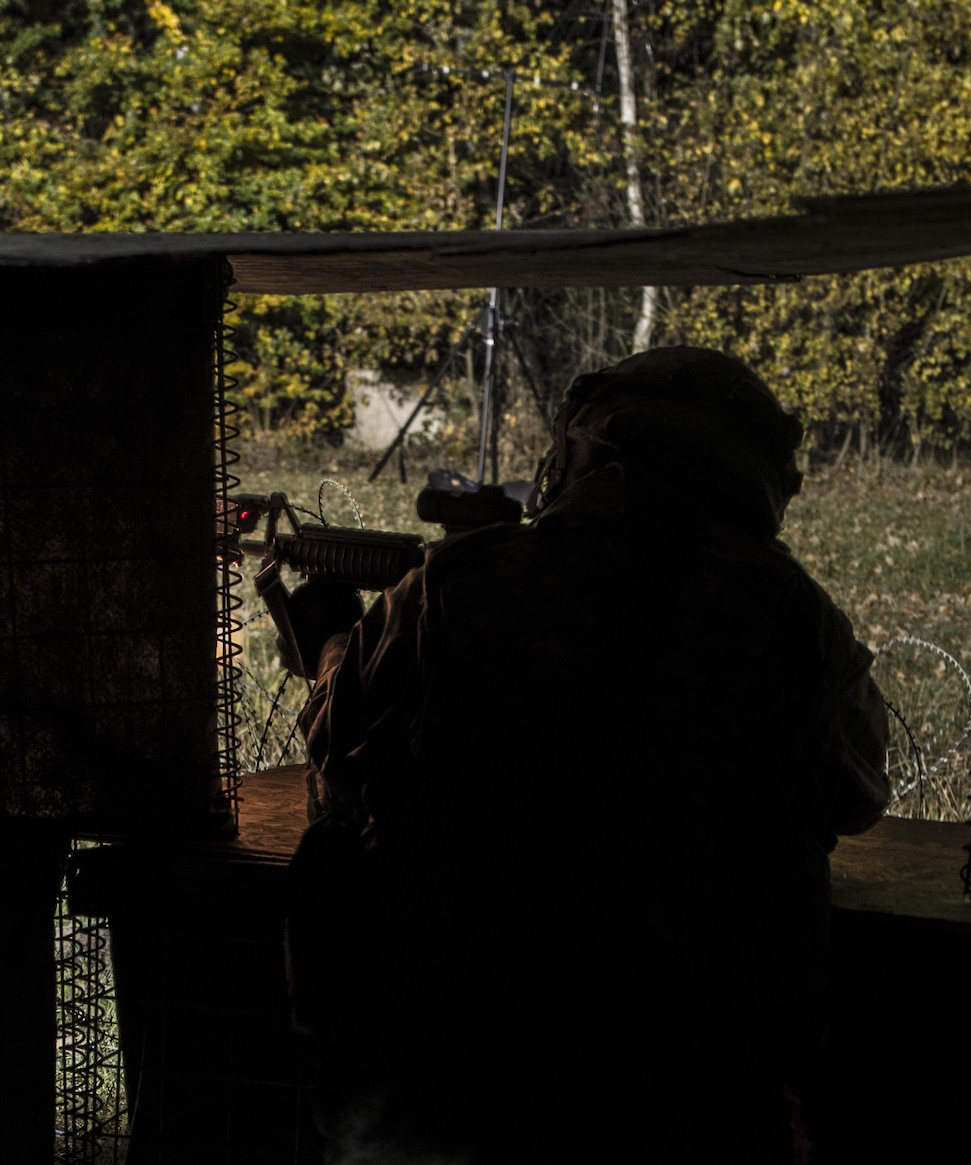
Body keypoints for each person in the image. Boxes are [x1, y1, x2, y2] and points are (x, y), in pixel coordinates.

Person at [281, 347, 891, 1165]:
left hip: (465, 1069)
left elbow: (335, 738)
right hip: (697, 1085)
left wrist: (326, 640)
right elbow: (856, 794)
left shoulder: (459, 581)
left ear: (584, 455)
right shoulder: (796, 620)